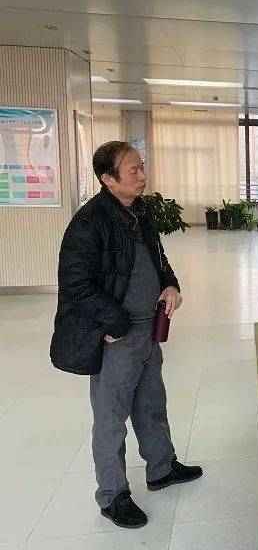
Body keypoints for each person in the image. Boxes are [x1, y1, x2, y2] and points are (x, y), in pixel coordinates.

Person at [50, 141, 201, 529]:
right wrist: (114, 324)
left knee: (152, 402)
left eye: (141, 167)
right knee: (111, 416)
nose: (142, 175)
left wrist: (170, 284)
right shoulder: (89, 223)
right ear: (108, 178)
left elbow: (159, 258)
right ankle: (112, 495)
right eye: (133, 170)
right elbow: (76, 284)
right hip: (117, 335)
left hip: (148, 327)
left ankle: (161, 467)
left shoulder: (140, 211)